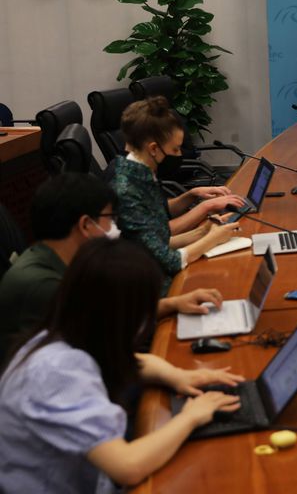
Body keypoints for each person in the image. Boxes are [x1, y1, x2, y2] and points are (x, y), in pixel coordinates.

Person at [0, 238, 241, 492]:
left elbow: (134, 360)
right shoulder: (56, 372)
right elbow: (127, 467)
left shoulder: (64, 331)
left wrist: (179, 376)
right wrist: (191, 417)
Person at [0, 173, 227, 360]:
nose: (114, 227)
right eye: (110, 218)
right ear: (86, 225)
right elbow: (105, 352)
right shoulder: (44, 286)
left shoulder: (68, 261)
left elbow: (107, 313)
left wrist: (173, 303)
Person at [112, 97, 244, 290]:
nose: (179, 155)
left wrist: (203, 231)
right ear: (154, 149)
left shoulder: (142, 173)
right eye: (175, 149)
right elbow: (169, 261)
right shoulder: (126, 190)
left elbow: (158, 237)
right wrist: (211, 239)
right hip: (152, 290)